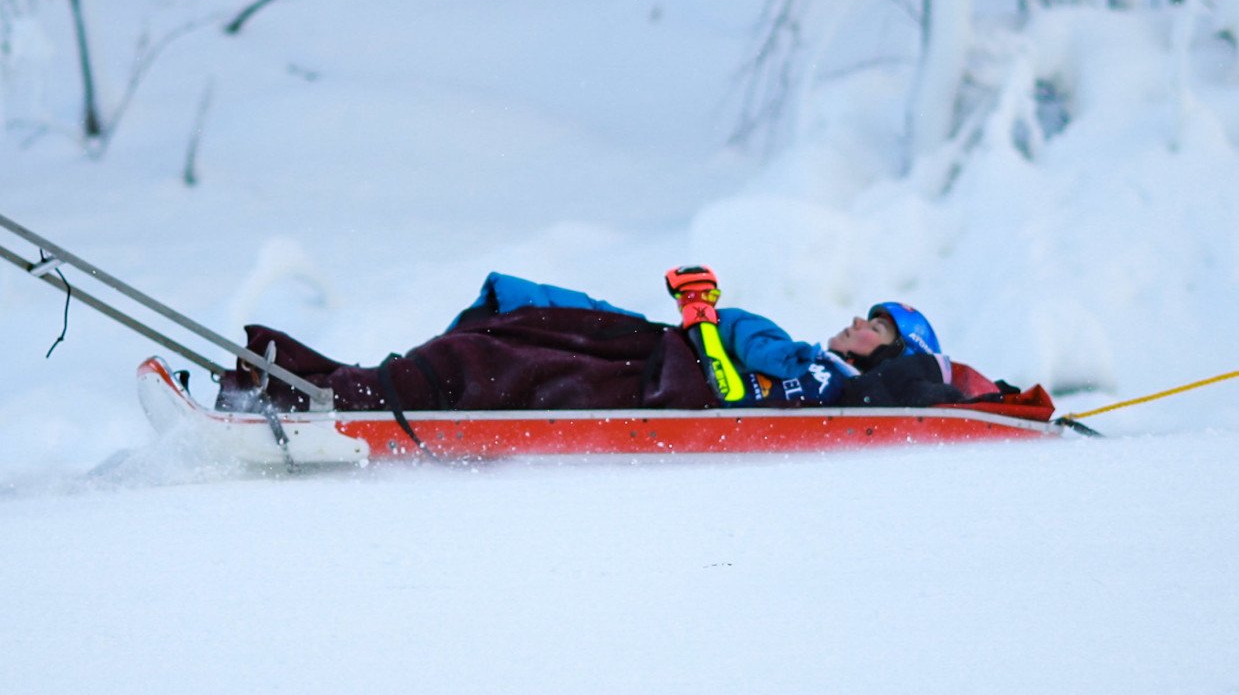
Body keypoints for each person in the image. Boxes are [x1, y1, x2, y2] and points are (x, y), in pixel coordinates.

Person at [215, 267, 977, 415]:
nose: (853, 323)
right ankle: (297, 381)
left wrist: (708, 322)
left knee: (478, 363)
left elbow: (934, 401)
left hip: (651, 389)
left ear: (897, 350)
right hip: (652, 359)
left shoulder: (846, 389)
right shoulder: (822, 370)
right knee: (499, 329)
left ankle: (303, 395)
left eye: (872, 326)